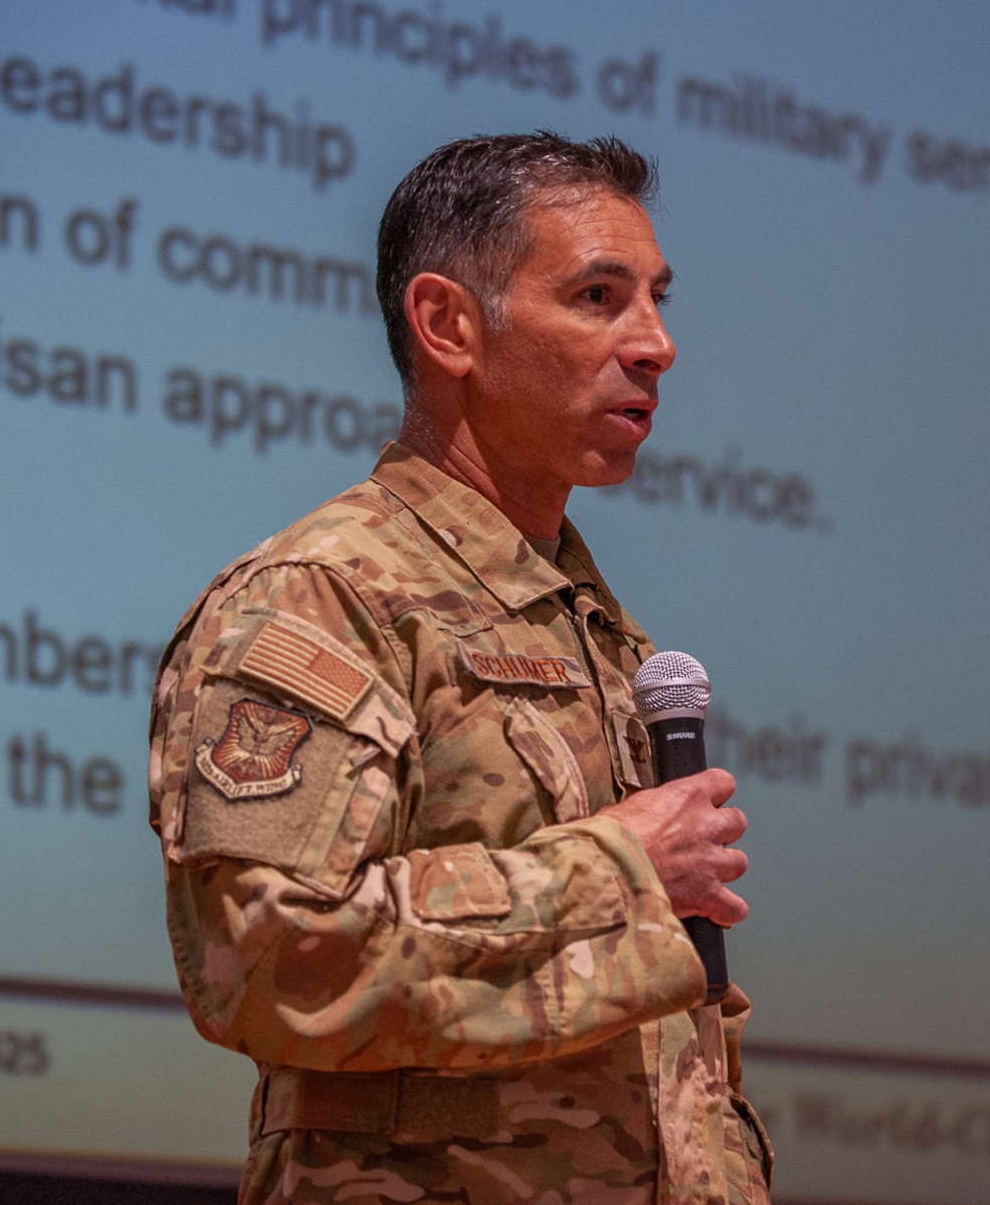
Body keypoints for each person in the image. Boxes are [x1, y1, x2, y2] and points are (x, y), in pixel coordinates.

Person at [147, 132, 771, 1203]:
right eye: (596, 295)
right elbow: (267, 960)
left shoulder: (593, 628)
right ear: (446, 324)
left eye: (656, 299)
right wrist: (615, 868)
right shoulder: (326, 594)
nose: (655, 343)